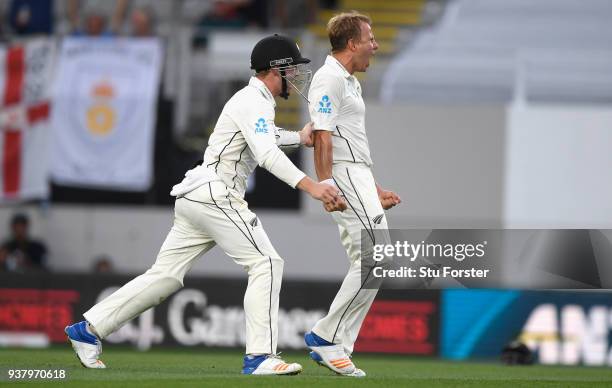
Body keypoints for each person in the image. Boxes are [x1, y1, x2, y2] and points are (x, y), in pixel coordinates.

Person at [64, 34, 346, 375]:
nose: (296, 77)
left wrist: (298, 137)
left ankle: (88, 329)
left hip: (196, 196)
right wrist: (312, 186)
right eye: (292, 69)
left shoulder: (253, 101)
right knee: (267, 264)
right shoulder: (252, 100)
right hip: (217, 195)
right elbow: (267, 154)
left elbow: (265, 136)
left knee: (165, 276)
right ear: (276, 70)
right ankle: (260, 357)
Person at [304, 12, 401, 377]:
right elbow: (323, 137)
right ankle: (326, 338)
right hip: (342, 178)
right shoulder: (328, 79)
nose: (375, 45)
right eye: (370, 38)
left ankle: (338, 343)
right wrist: (326, 183)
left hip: (358, 177)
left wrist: (375, 190)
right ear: (351, 44)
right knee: (376, 258)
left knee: (378, 260)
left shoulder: (349, 81)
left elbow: (351, 142)